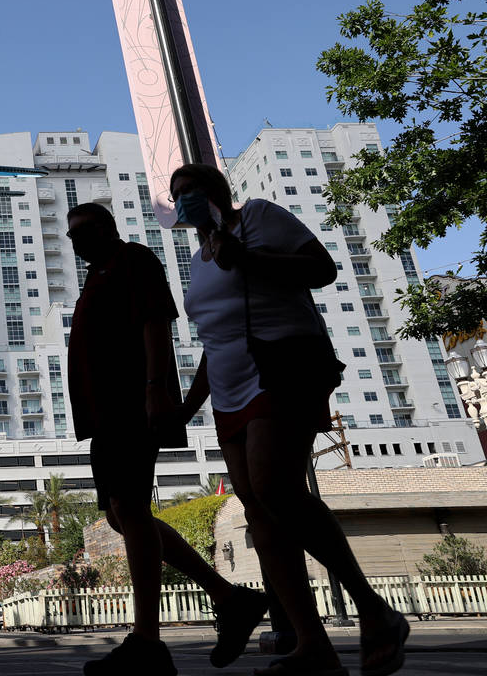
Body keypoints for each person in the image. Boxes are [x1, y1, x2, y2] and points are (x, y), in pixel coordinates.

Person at [172, 163, 409, 676]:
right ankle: (312, 646)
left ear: (219, 194)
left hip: (283, 366)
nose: (185, 200)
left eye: (193, 190)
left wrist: (248, 258)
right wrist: (186, 410)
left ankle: (374, 610)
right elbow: (216, 341)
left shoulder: (257, 217)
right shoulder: (200, 260)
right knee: (259, 510)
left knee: (274, 488)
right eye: (177, 195)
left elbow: (320, 270)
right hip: (230, 391)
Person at [64, 202, 268, 676]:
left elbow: (155, 323)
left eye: (85, 230)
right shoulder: (97, 275)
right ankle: (229, 597)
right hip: (104, 415)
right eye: (71, 234)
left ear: (108, 228)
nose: (77, 241)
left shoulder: (132, 259)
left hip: (129, 404)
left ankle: (148, 643)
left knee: (130, 510)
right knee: (120, 515)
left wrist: (156, 390)